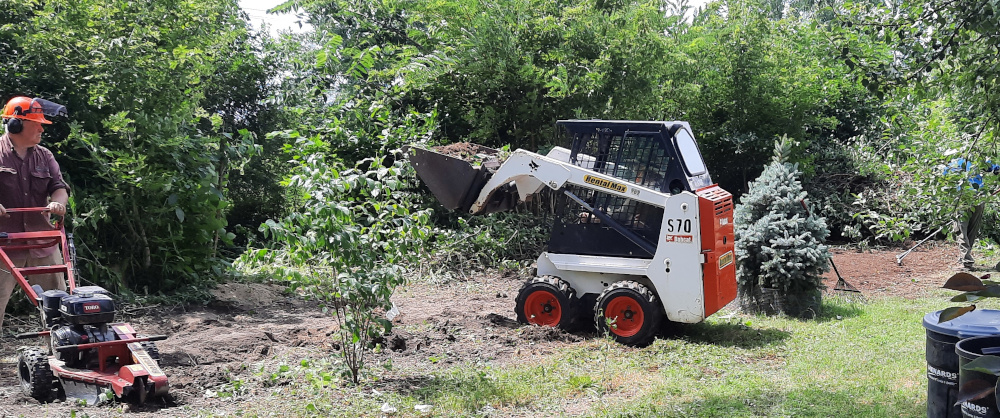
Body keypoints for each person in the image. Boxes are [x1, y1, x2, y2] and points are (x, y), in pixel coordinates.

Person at [0, 96, 70, 332]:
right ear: (16, 125)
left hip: (43, 243)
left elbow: (58, 187)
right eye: (36, 123)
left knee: (59, 306)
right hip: (4, 244)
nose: (42, 127)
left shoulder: (45, 155)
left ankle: (62, 355)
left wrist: (58, 203)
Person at [946, 158, 999, 269]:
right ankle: (965, 258)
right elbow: (996, 169)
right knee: (971, 230)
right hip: (978, 198)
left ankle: (966, 261)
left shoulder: (955, 163)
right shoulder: (980, 158)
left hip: (963, 199)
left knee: (961, 230)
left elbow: (945, 180)